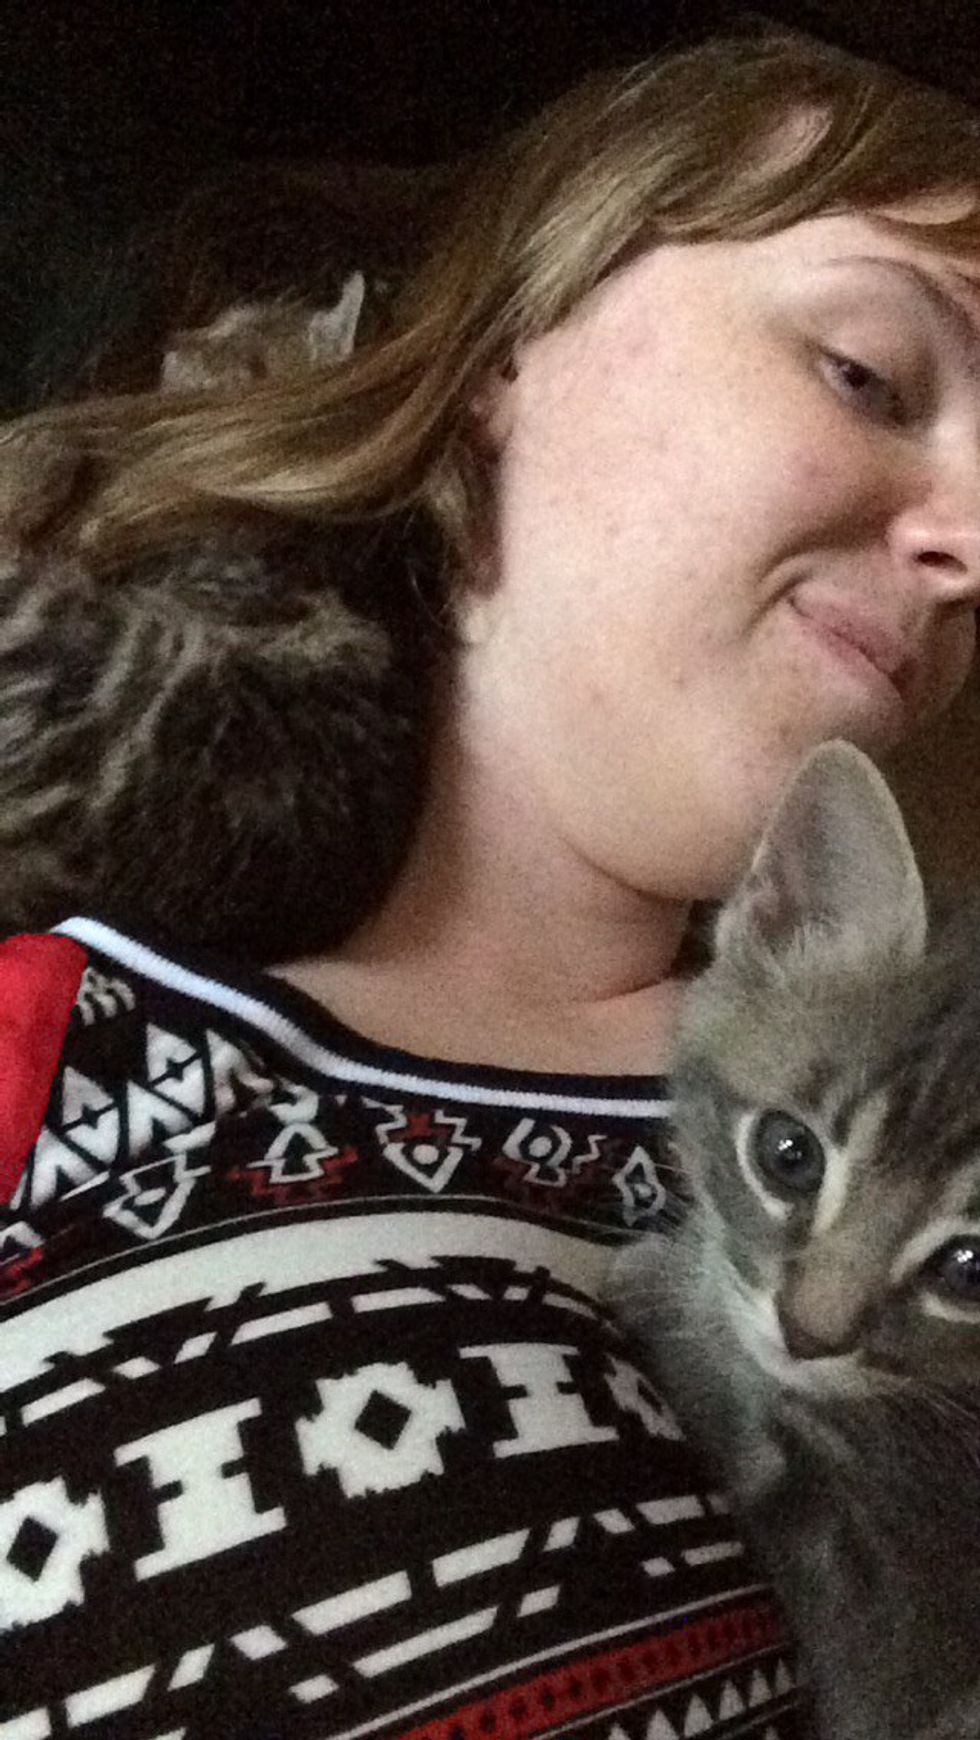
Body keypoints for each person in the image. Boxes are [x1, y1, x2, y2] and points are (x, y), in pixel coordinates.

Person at [4, 21, 980, 1739]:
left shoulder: (910, 1086)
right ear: (505, 349)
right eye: (869, 374)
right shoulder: (61, 1042)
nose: (971, 538)